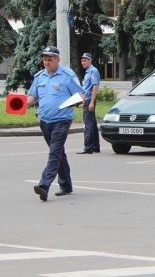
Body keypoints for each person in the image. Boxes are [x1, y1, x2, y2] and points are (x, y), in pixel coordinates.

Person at [27, 45, 85, 201]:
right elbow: (33, 97)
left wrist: (71, 103)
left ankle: (44, 185)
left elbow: (81, 95)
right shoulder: (40, 76)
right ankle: (66, 185)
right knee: (59, 153)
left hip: (62, 120)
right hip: (45, 121)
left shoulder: (67, 75)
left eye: (50, 60)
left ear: (58, 59)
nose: (46, 63)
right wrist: (21, 103)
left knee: (54, 153)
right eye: (45, 60)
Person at [78, 52, 100, 154]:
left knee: (88, 125)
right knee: (93, 124)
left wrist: (91, 102)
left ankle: (88, 147)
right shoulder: (88, 72)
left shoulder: (93, 71)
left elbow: (95, 87)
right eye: (82, 61)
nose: (83, 62)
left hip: (89, 100)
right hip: (87, 99)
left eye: (85, 60)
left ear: (90, 60)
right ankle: (95, 146)